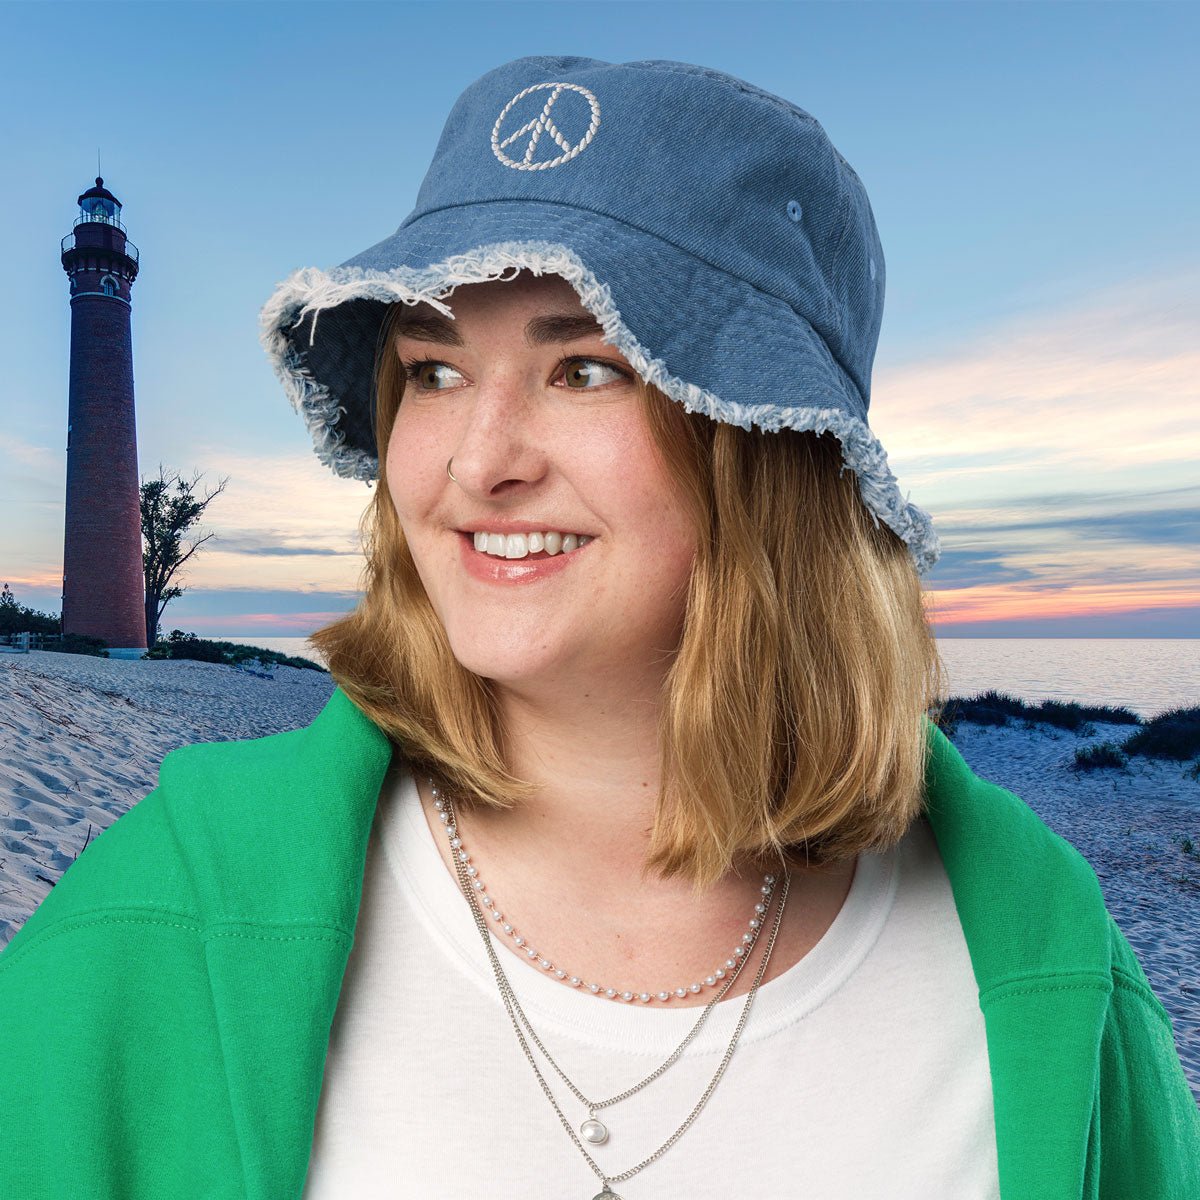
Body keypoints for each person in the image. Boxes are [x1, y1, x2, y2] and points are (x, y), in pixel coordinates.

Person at [2, 55, 1197, 1200]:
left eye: (584, 368)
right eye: (433, 369)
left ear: (775, 444)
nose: (479, 462)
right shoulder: (160, 923)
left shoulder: (1042, 968)